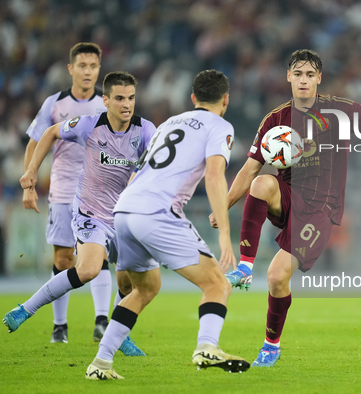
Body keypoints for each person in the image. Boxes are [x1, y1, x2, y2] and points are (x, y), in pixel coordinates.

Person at [209, 49, 361, 367]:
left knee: (276, 278)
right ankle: (244, 267)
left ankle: (271, 345)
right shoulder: (275, 119)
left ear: (319, 79)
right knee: (262, 183)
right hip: (288, 197)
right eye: (298, 74)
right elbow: (248, 171)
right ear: (288, 77)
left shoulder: (338, 110)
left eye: (310, 75)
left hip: (320, 209)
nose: (303, 80)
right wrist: (224, 205)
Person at [85, 70, 249, 380]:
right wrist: (226, 235)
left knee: (145, 289)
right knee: (217, 284)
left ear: (192, 99)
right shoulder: (220, 126)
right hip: (157, 211)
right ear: (225, 100)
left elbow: (139, 170)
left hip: (125, 209)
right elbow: (214, 176)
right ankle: (207, 346)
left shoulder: (169, 123)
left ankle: (101, 364)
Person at [4, 72, 155, 357]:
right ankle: (25, 309)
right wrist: (31, 171)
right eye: (120, 98)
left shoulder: (145, 129)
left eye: (131, 98)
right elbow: (49, 133)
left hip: (124, 217)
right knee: (87, 269)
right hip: (91, 212)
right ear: (106, 100)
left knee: (128, 282)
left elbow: (157, 163)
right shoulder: (89, 124)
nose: (127, 104)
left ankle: (118, 334)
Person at [23, 42, 111, 343]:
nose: (88, 71)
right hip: (62, 188)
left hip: (98, 191)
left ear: (99, 69)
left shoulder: (107, 103)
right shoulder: (55, 103)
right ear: (71, 68)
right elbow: (35, 142)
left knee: (98, 255)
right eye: (83, 66)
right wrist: (30, 181)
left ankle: (102, 321)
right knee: (63, 258)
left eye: (94, 66)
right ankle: (60, 326)